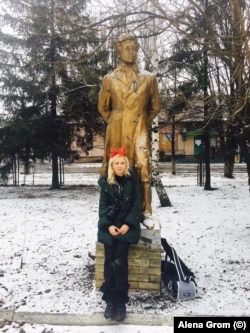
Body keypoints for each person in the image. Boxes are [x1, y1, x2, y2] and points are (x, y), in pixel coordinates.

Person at [98, 33, 161, 229]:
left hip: (139, 131)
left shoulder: (149, 78)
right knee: (116, 170)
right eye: (127, 48)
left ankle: (146, 211)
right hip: (116, 130)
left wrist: (141, 121)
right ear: (118, 50)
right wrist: (117, 121)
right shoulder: (109, 79)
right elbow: (103, 107)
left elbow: (155, 106)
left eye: (134, 48)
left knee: (143, 170)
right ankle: (114, 211)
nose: (131, 52)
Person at [97, 146, 141, 321]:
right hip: (110, 227)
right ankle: (110, 301)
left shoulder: (132, 181)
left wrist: (127, 225)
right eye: (117, 163)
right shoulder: (107, 183)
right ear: (112, 166)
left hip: (126, 228)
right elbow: (102, 207)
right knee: (109, 262)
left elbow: (136, 204)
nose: (120, 166)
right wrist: (108, 226)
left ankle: (120, 301)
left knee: (120, 262)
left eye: (123, 163)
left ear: (127, 164)